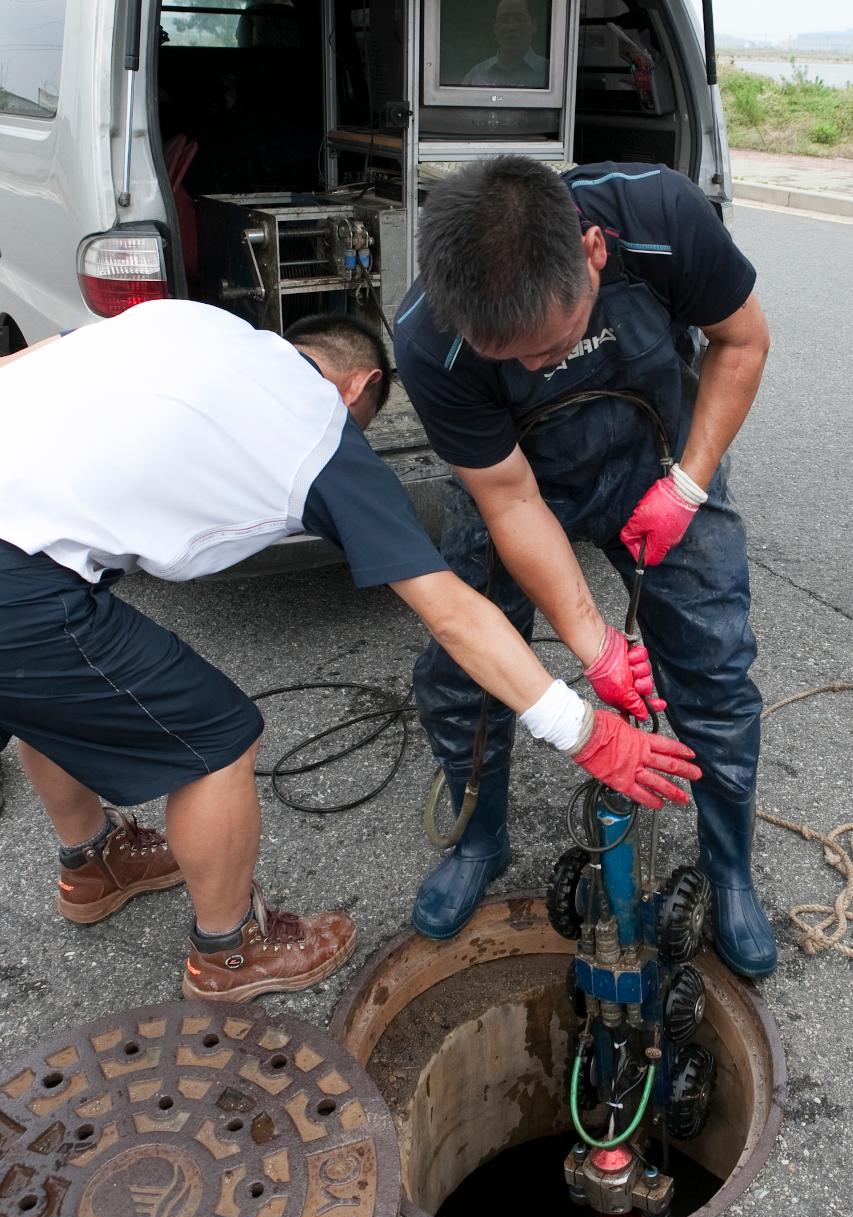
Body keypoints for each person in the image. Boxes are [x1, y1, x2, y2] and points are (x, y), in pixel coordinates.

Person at [0, 300, 698, 1002]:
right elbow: (452, 612)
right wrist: (580, 730)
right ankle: (229, 951)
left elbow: (23, 366)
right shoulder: (317, 429)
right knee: (215, 739)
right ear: (358, 386)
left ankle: (93, 863)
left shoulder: (184, 322)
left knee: (53, 698)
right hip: (16, 576)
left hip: (23, 525)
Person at [394, 156, 776, 979]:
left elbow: (741, 341)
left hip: (662, 451)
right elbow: (507, 500)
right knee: (466, 676)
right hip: (521, 479)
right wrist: (592, 642)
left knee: (713, 664)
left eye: (552, 345)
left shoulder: (660, 217)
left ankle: (728, 868)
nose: (535, 367)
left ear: (594, 252)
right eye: (513, 359)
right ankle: (479, 841)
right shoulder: (427, 338)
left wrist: (686, 485)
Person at [463, 0, 548, 88]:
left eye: (519, 19)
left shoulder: (549, 73)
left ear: (534, 25)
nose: (511, 27)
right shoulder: (476, 76)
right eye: (504, 20)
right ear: (494, 27)